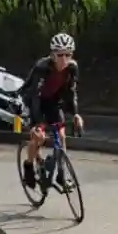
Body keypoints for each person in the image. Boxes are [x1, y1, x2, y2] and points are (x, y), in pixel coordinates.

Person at [20, 33, 84, 189]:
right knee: (39, 137)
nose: (64, 59)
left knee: (61, 136)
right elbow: (34, 95)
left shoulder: (72, 68)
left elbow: (71, 92)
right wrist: (37, 124)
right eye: (60, 55)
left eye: (68, 55)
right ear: (53, 55)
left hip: (52, 102)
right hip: (33, 101)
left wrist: (75, 114)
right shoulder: (42, 67)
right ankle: (28, 165)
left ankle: (61, 175)